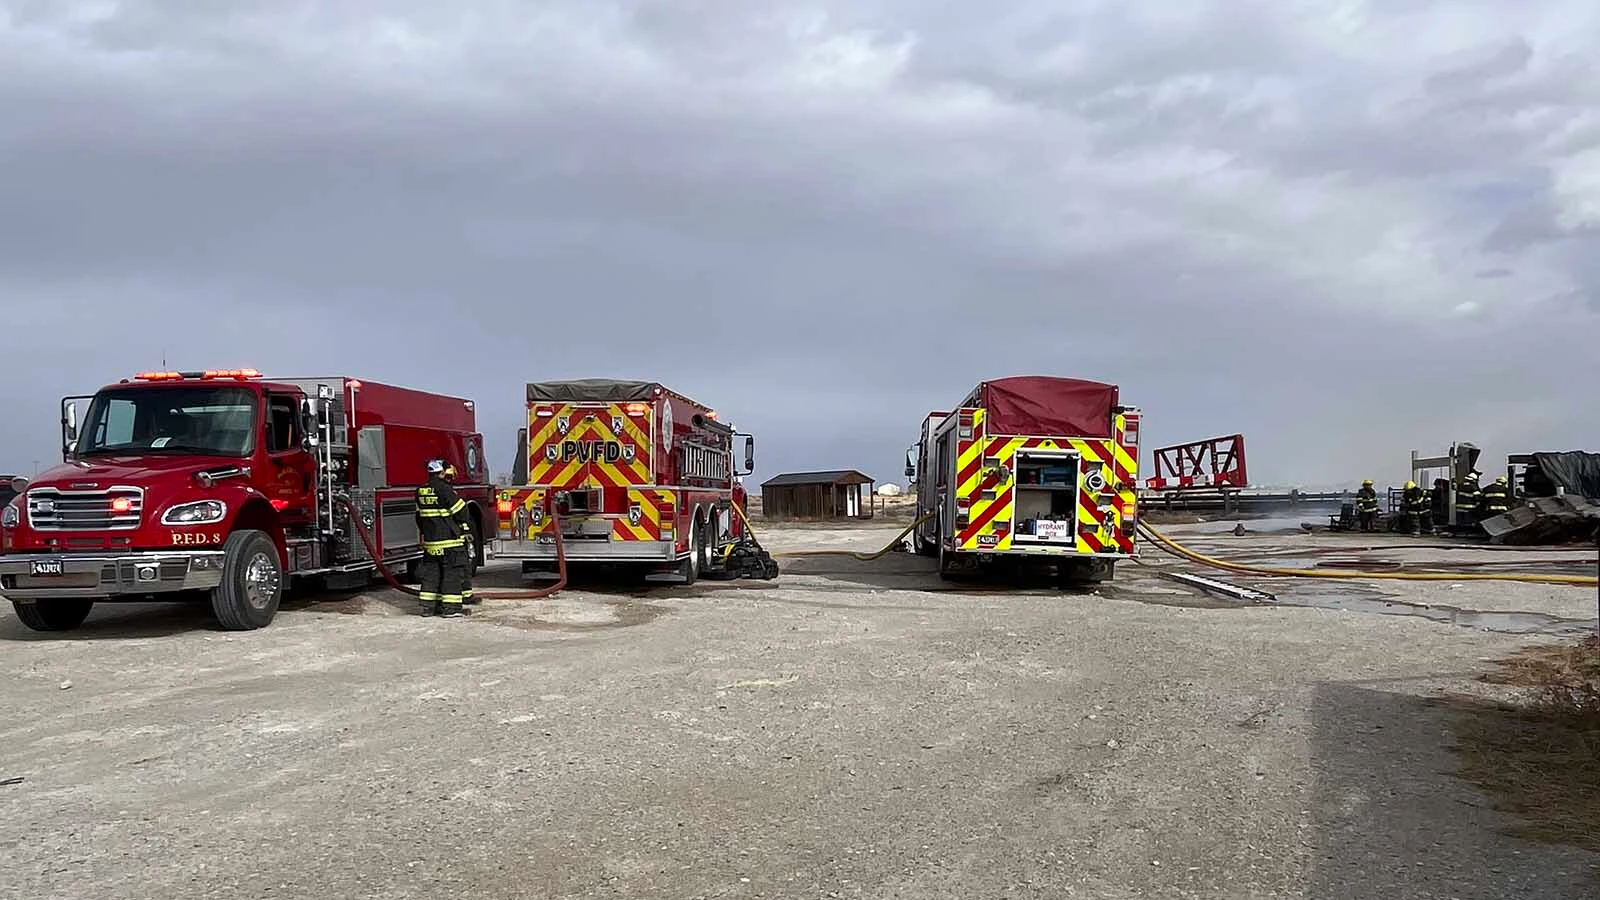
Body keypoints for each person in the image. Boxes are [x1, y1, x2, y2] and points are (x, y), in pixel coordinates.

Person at [414, 458, 474, 617]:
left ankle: (428, 607)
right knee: (451, 574)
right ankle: (451, 609)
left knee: (432, 574)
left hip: (431, 542)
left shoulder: (420, 490)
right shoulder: (445, 490)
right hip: (449, 542)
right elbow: (462, 512)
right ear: (441, 472)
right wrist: (464, 527)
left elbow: (419, 517)